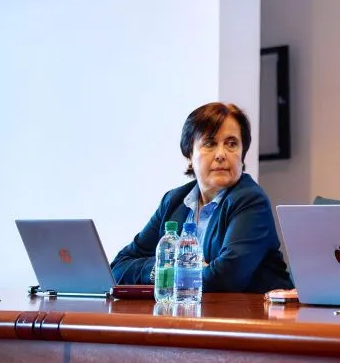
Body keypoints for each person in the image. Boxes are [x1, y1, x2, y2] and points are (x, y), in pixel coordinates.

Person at [111, 102, 293, 293]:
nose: (221, 154)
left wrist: (170, 271)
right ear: (189, 155)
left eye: (231, 144)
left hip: (251, 311)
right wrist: (160, 270)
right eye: (210, 143)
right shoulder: (174, 201)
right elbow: (119, 267)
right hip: (191, 310)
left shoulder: (251, 201)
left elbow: (224, 278)